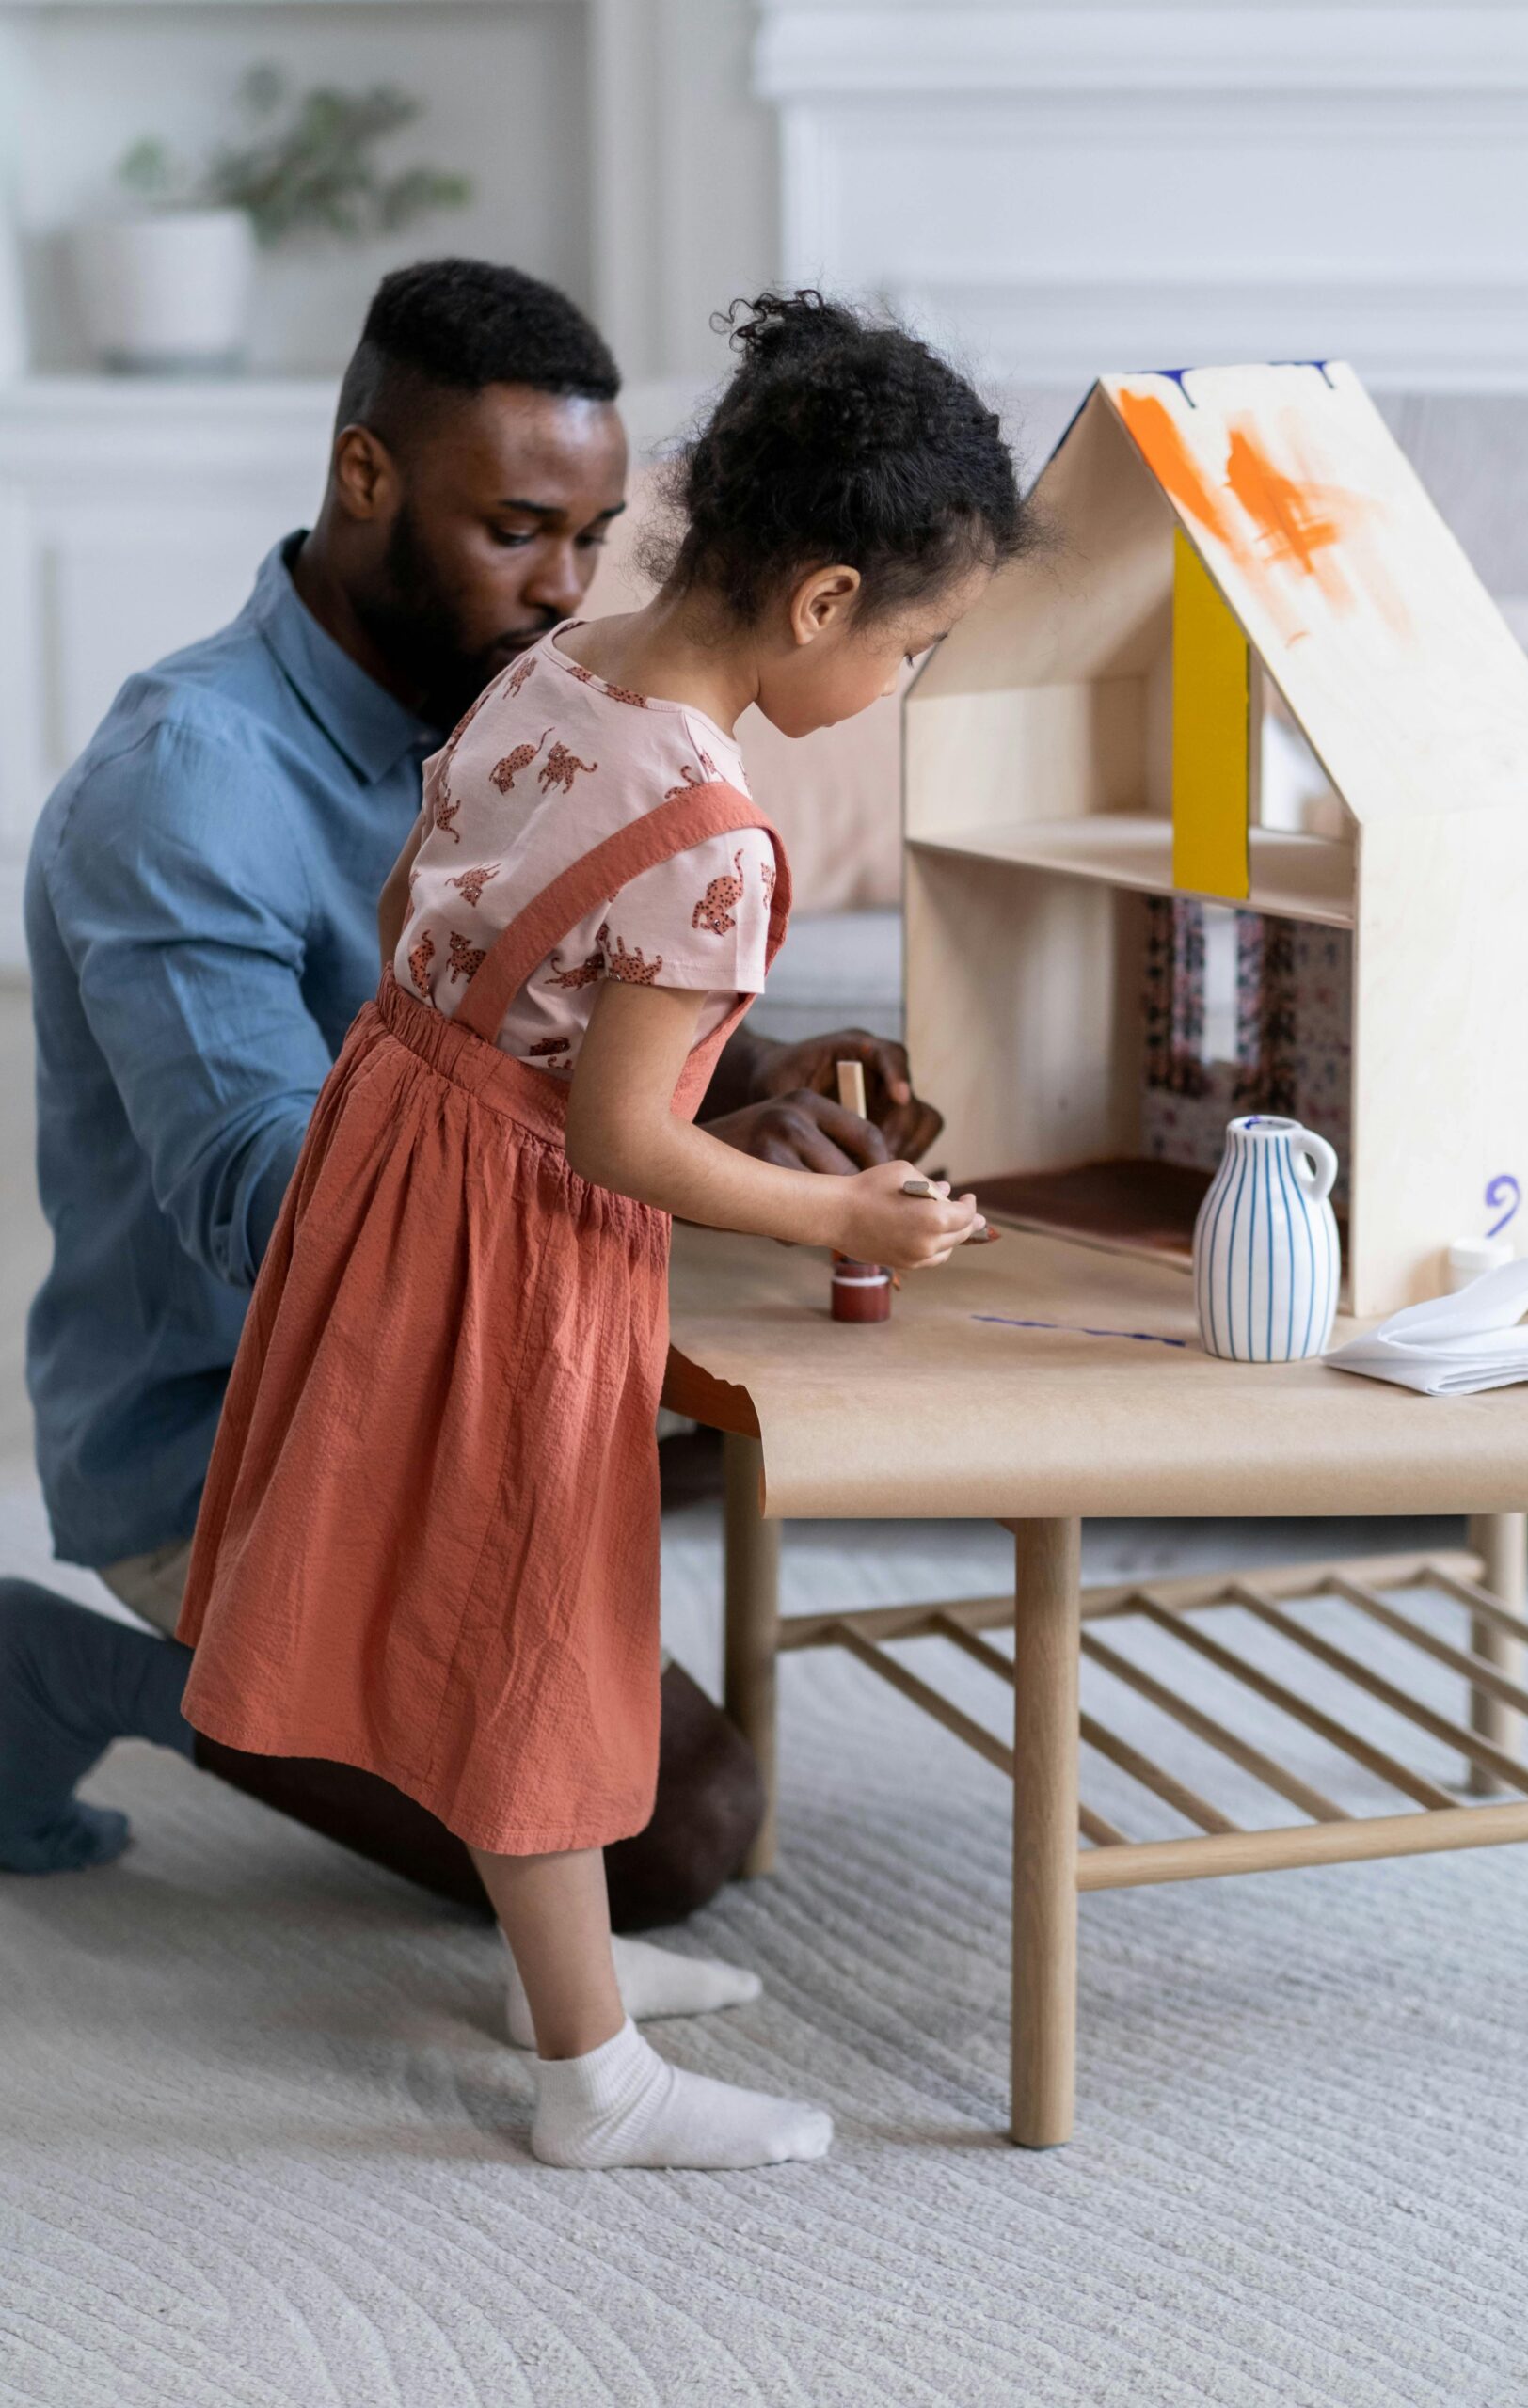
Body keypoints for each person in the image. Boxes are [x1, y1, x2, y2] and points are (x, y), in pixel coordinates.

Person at [176, 288, 1027, 2171]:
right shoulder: (716, 839)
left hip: (391, 1135)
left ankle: (558, 1971)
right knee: (530, 1626)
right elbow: (626, 1136)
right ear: (821, 603)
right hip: (510, 1224)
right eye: (916, 646)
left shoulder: (554, 664)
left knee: (507, 1604)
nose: (898, 684)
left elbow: (421, 887)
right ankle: (594, 2077)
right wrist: (840, 1203)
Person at [0, 261, 942, 1950]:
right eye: (516, 530)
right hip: (237, 1421)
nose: (560, 590)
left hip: (462, 1342)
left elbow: (545, 1007)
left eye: (591, 539)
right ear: (365, 475)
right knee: (665, 1840)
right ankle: (79, 1662)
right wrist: (674, 1161)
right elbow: (265, 1191)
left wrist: (740, 1071)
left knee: (816, 1408)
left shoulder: (536, 704)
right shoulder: (179, 784)